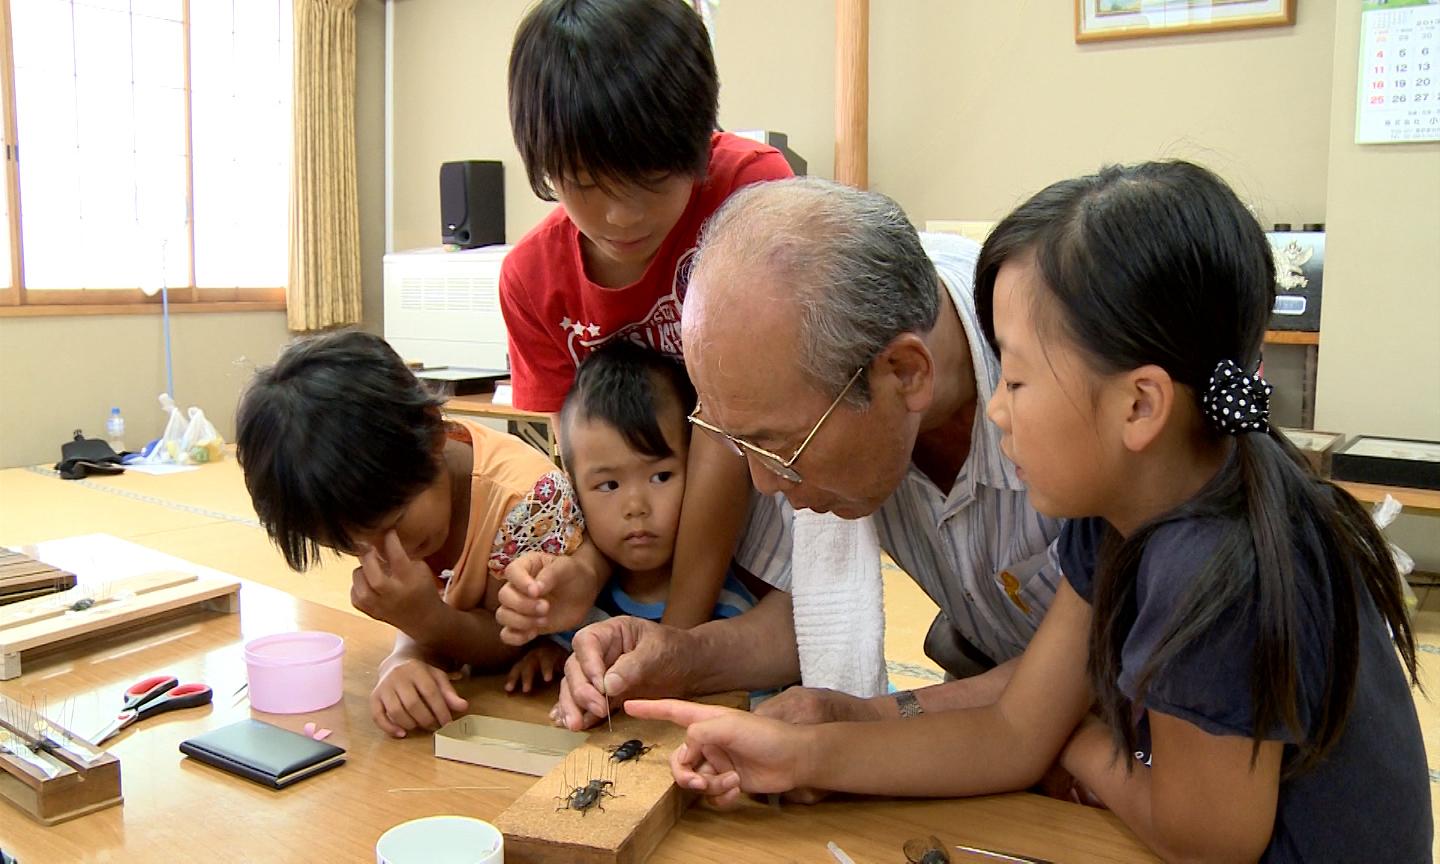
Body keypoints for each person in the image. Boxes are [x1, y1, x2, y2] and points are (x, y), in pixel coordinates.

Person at [624, 162, 1430, 862]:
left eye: (1015, 378)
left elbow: (1208, 839)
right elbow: (1013, 727)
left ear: (1140, 406)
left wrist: (1073, 742)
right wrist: (799, 756)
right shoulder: (1115, 511)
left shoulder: (1210, 564)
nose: (995, 412)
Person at [551, 176, 1066, 733]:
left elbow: (1092, 670)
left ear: (905, 372)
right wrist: (678, 655)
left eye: (775, 446)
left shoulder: (1070, 385)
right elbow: (805, 617)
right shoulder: (811, 388)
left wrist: (867, 720)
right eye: (736, 442)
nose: (766, 483)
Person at [499, 0, 794, 632]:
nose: (622, 218)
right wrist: (581, 571)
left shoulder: (752, 193)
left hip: (767, 518)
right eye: (585, 184)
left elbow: (731, 424)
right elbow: (581, 464)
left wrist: (676, 638)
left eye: (653, 181)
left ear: (697, 147)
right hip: (637, 555)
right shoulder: (533, 280)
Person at [234, 330, 604, 737]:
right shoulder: (383, 492)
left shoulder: (528, 500)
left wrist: (423, 619)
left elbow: (509, 643)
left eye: (392, 523)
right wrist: (404, 658)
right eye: (347, 543)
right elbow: (439, 605)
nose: (381, 551)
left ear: (432, 436)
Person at [510, 341, 766, 698]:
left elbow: (753, 705)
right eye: (609, 484)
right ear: (576, 492)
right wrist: (549, 656)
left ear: (697, 472)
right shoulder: (579, 609)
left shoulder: (729, 614)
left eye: (660, 476)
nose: (636, 506)